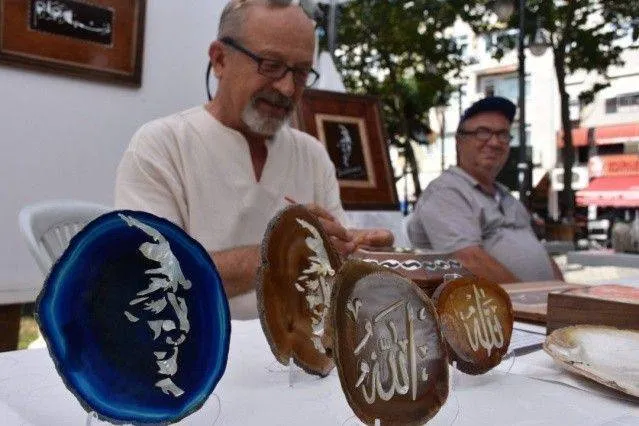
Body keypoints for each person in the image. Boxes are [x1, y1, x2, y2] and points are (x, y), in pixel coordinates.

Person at [115, 0, 393, 319]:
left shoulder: (312, 155)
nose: (287, 88)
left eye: (301, 72)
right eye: (271, 65)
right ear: (220, 60)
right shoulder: (161, 146)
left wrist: (363, 252)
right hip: (199, 343)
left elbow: (336, 260)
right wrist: (283, 250)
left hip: (305, 343)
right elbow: (153, 278)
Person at [406, 96, 563, 283]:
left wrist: (564, 292)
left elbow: (538, 251)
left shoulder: (507, 197)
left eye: (503, 134)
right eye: (483, 132)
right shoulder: (445, 192)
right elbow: (468, 260)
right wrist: (532, 296)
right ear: (459, 141)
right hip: (495, 301)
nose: (495, 143)